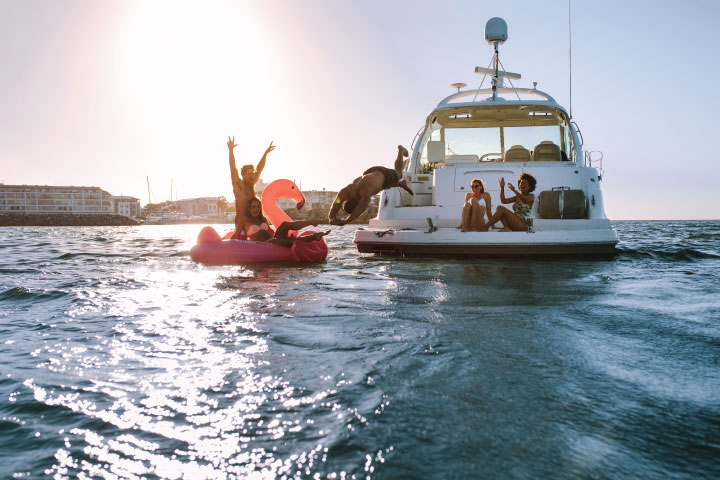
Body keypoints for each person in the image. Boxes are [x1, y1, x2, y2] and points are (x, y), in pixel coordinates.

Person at [328, 145, 414, 226]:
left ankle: (401, 151)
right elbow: (336, 204)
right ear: (346, 200)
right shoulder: (345, 192)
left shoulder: (364, 191)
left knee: (399, 172)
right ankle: (400, 184)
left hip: (383, 174)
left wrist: (346, 221)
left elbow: (362, 207)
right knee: (380, 187)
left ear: (358, 203)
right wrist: (331, 218)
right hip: (369, 173)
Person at [227, 136, 275, 239]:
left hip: (253, 221)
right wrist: (231, 151)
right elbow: (233, 169)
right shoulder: (238, 186)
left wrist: (266, 153)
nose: (252, 176)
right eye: (249, 174)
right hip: (241, 222)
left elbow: (259, 168)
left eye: (252, 174)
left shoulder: (252, 184)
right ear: (243, 175)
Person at [238, 197, 329, 247]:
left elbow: (271, 232)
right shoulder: (244, 219)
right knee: (278, 240)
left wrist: (282, 233)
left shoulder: (262, 219)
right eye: (253, 207)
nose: (256, 209)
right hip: (264, 244)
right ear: (249, 208)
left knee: (284, 224)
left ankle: (312, 222)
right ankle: (313, 237)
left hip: (272, 239)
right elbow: (237, 233)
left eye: (258, 207)